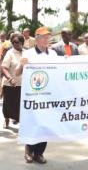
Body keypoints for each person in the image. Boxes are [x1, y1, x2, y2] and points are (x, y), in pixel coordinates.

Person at [16, 26, 57, 164]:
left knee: (45, 124)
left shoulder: (53, 54)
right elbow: (17, 72)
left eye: (48, 37)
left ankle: (39, 153)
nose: (47, 39)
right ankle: (28, 151)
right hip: (33, 95)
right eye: (44, 37)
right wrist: (21, 65)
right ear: (37, 38)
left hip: (49, 95)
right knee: (32, 123)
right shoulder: (28, 53)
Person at [1, 33, 24, 129]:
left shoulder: (27, 53)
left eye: (17, 42)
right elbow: (4, 68)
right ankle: (6, 119)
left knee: (20, 105)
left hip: (23, 84)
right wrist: (10, 79)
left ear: (22, 42)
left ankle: (20, 121)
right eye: (13, 42)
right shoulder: (10, 53)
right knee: (8, 104)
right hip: (10, 84)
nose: (15, 44)